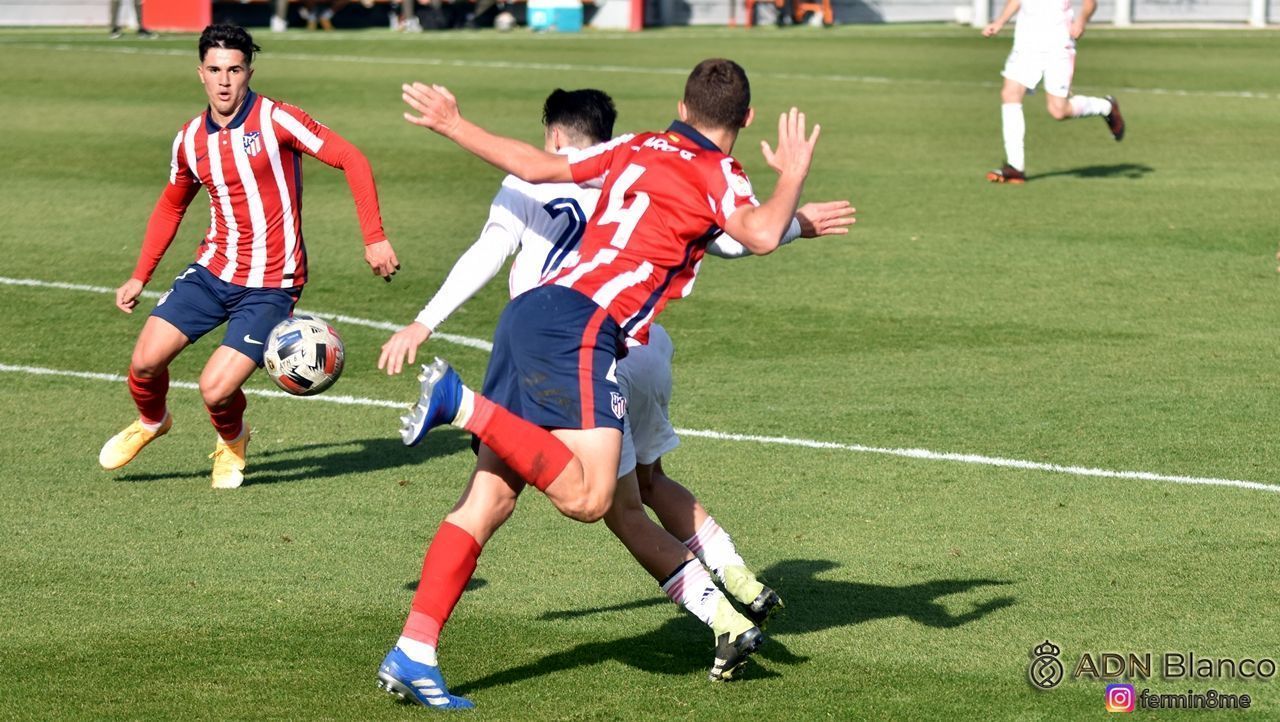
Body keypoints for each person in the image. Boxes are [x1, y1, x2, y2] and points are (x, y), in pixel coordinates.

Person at [375, 88, 854, 704]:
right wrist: (793, 201)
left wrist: (454, 124)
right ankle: (460, 403)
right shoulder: (702, 174)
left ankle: (414, 651)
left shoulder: (633, 152)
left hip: (528, 324)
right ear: (746, 117)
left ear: (682, 105)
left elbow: (522, 184)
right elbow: (747, 237)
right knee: (597, 498)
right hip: (590, 339)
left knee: (488, 502)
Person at [98, 24, 400, 489]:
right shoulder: (189, 140)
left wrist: (374, 237)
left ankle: (233, 440)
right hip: (212, 271)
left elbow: (351, 159)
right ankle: (153, 422)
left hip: (271, 284)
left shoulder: (277, 119)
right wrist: (141, 274)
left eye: (234, 70)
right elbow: (172, 205)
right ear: (200, 73)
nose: (224, 81)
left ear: (249, 73)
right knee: (144, 364)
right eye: (215, 70)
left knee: (215, 389)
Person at [982, 0, 1126, 183]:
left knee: (1058, 111)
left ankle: (1105, 107)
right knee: (1010, 94)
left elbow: (1090, 3)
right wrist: (1000, 21)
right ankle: (1015, 167)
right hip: (1025, 45)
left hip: (1058, 46)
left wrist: (1081, 21)